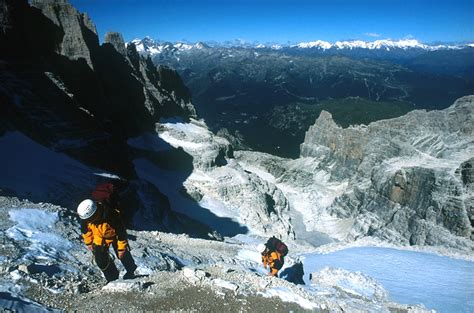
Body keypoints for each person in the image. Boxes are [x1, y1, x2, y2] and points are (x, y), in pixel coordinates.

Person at [77, 198, 137, 282]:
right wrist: (89, 243)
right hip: (100, 237)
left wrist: (121, 249)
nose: (88, 221)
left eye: (90, 219)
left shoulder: (110, 215)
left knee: (122, 254)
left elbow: (121, 233)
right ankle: (112, 278)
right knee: (100, 259)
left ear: (95, 214)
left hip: (115, 235)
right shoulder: (85, 217)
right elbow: (85, 231)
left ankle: (131, 271)